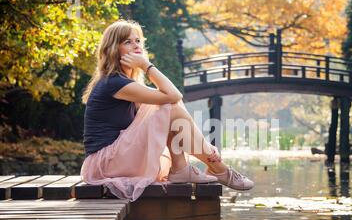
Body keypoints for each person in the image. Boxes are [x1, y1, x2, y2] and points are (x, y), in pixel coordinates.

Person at [80, 19, 254, 201]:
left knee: (166, 106)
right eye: (128, 42)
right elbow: (174, 95)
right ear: (114, 49)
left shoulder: (123, 82)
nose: (136, 46)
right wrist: (146, 65)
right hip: (105, 163)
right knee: (168, 105)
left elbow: (170, 101)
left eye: (138, 40)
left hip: (115, 158)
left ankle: (182, 169)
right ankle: (218, 168)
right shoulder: (115, 83)